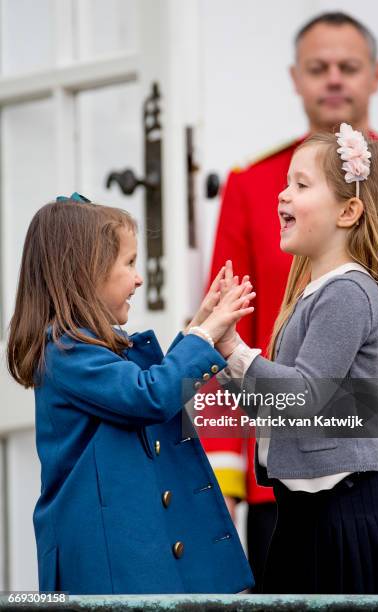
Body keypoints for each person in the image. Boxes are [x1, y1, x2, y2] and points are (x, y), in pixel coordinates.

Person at [204, 11, 378, 593]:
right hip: (286, 479)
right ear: (296, 78)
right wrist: (224, 477)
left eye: (348, 67)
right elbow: (233, 321)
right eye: (318, 68)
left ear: (375, 75)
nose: (333, 79)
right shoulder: (252, 184)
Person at [6, 193, 255, 595]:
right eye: (129, 263)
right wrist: (204, 336)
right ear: (86, 272)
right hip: (105, 565)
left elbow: (144, 389)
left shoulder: (86, 348)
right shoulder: (67, 350)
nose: (139, 278)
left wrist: (199, 326)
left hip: (121, 557)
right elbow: (148, 395)